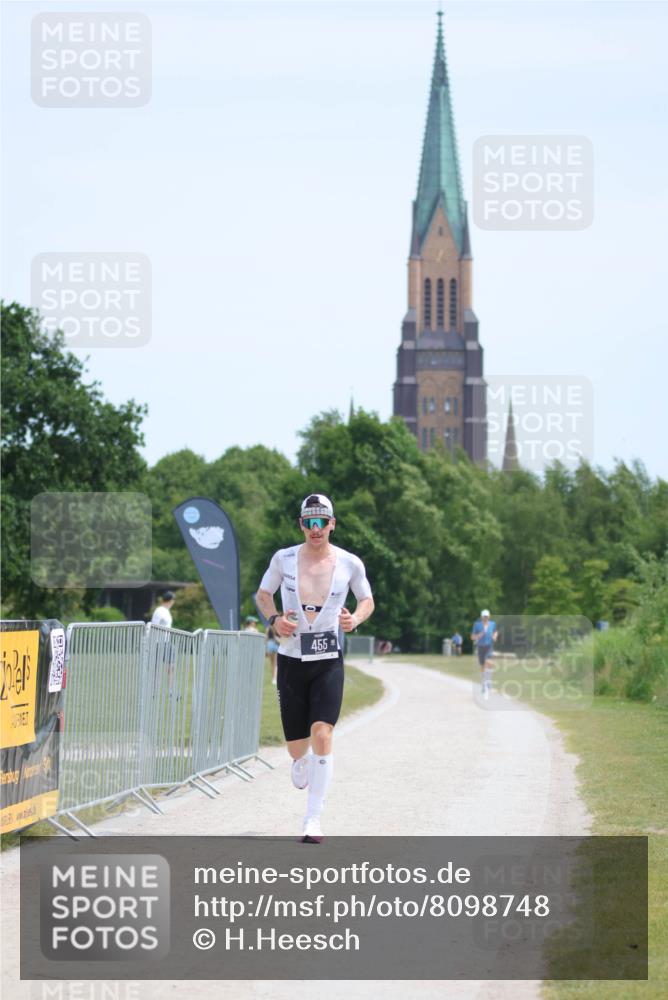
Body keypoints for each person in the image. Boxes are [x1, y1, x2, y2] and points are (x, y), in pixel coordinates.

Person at [256, 493, 374, 843]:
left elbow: (366, 599)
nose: (316, 528)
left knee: (323, 731)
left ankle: (313, 819)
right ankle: (299, 760)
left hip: (328, 660)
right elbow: (263, 595)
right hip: (292, 659)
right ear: (301, 525)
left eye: (323, 521)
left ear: (332, 524)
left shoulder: (350, 563)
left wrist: (356, 618)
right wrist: (275, 619)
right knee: (297, 746)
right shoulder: (284, 559)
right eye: (310, 522)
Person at [471, 609, 498, 699]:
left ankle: (488, 682)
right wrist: (478, 636)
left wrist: (494, 636)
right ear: (481, 617)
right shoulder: (477, 625)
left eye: (487, 616)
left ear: (489, 617)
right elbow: (472, 637)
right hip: (480, 647)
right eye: (484, 616)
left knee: (489, 662)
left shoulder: (492, 624)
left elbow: (495, 632)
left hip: (489, 646)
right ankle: (484, 684)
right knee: (483, 666)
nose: (485, 618)